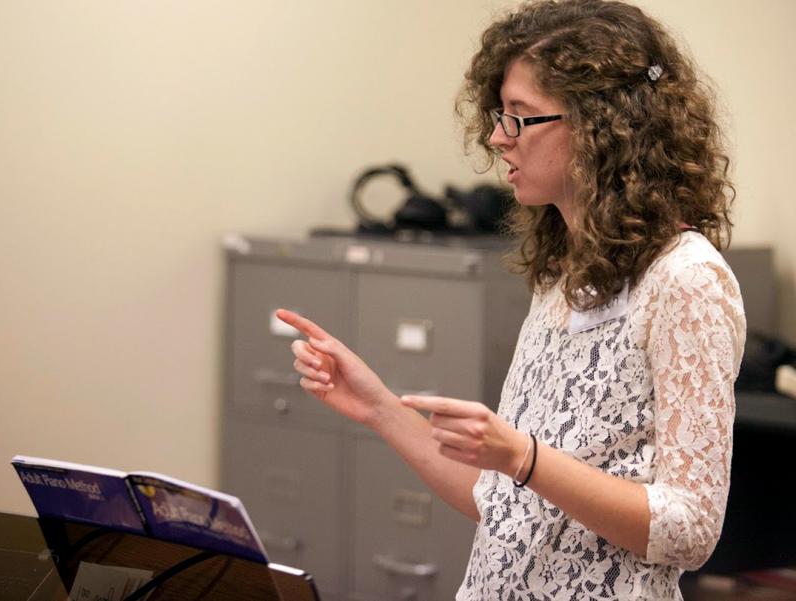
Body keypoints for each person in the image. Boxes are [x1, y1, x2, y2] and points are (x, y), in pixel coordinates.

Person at [276, 0, 746, 598]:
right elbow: (499, 502)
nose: (498, 138)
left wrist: (524, 458)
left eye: (520, 117)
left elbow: (692, 529)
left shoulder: (686, 279)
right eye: (500, 115)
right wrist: (377, 406)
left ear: (601, 125)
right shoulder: (562, 277)